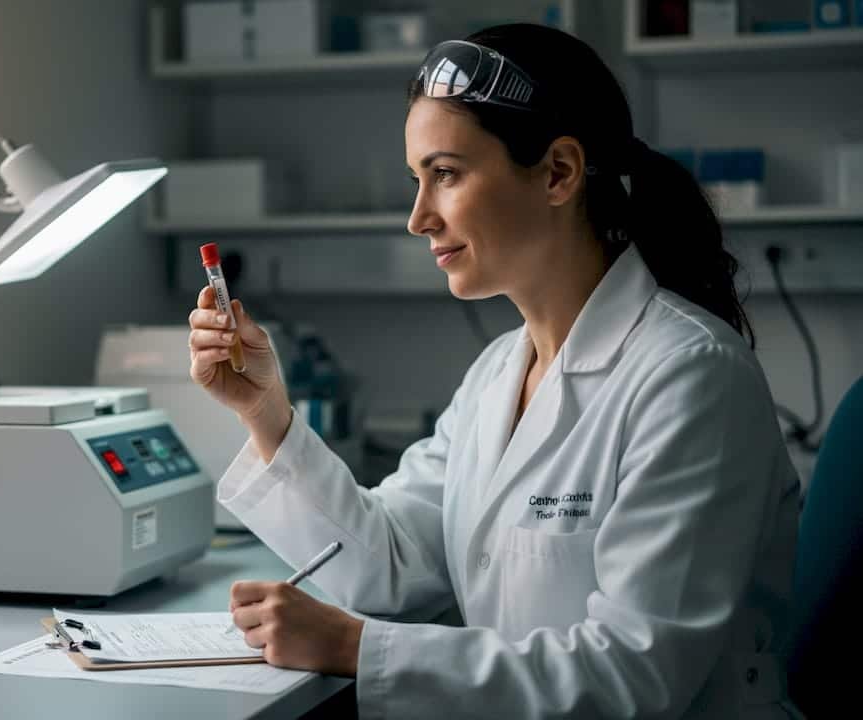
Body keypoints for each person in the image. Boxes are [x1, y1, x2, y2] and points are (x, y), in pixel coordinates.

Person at [186, 23, 801, 720]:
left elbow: (636, 673)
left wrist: (361, 649)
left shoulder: (691, 376)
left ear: (559, 173)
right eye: (418, 180)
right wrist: (265, 412)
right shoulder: (497, 374)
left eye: (445, 174)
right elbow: (392, 564)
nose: (419, 217)